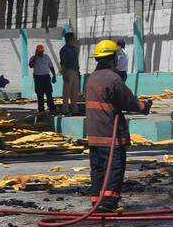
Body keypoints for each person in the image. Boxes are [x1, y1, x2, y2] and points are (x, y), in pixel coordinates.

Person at [84, 39, 151, 213]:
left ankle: (96, 202)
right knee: (114, 168)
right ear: (113, 58)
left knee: (98, 169)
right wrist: (143, 107)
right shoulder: (112, 79)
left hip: (94, 134)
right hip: (109, 134)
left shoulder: (92, 77)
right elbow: (128, 101)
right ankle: (108, 204)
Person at [28, 44, 57, 114]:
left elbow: (51, 66)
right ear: (37, 51)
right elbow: (31, 65)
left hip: (46, 77)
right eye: (39, 51)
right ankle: (41, 108)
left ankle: (51, 107)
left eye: (42, 51)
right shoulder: (33, 58)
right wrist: (36, 57)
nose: (41, 52)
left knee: (49, 93)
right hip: (38, 78)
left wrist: (54, 76)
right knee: (39, 93)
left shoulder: (46, 57)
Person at [59, 32, 80, 115]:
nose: (74, 39)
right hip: (68, 71)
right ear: (69, 39)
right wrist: (65, 75)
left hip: (75, 71)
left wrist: (78, 72)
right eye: (73, 38)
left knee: (75, 92)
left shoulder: (74, 49)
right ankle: (65, 110)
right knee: (67, 92)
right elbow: (63, 63)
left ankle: (75, 110)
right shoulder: (64, 50)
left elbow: (76, 61)